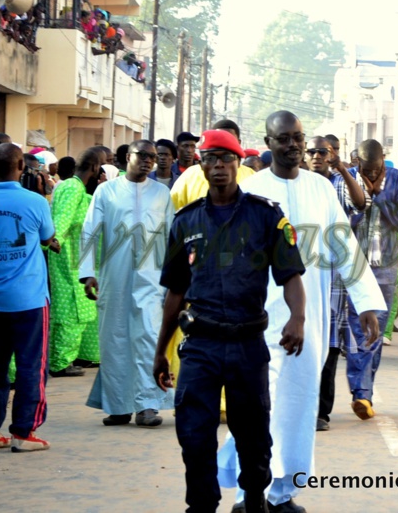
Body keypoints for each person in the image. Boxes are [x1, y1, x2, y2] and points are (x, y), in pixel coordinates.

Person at [218, 111, 386, 513]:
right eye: (284, 139)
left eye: (298, 137)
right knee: (261, 402)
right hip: (260, 317)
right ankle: (248, 493)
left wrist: (364, 304)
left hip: (310, 316)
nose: (292, 145)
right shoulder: (252, 190)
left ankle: (283, 494)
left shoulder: (322, 188)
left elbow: (344, 246)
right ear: (269, 142)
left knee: (299, 403)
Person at [155, 128, 305, 513]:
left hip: (247, 344)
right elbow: (175, 292)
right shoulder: (185, 222)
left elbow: (290, 275)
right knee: (193, 434)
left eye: (226, 159)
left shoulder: (265, 216)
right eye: (210, 159)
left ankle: (254, 500)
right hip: (201, 345)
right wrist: (160, 352)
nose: (218, 166)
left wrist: (297, 319)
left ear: (238, 164)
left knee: (254, 437)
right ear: (200, 164)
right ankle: (201, 506)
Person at [0, 143, 58, 452]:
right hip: (29, 299)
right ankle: (24, 432)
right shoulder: (35, 202)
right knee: (32, 365)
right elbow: (47, 236)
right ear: (21, 167)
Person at [79, 140, 175, 427]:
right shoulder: (106, 191)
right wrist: (87, 272)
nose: (148, 161)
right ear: (127, 158)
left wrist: (173, 278)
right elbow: (89, 231)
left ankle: (147, 405)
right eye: (142, 155)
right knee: (115, 338)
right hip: (114, 275)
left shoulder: (162, 194)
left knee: (148, 336)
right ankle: (118, 405)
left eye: (153, 158)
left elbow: (172, 236)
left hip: (152, 277)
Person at [338, 139, 398, 420]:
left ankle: (365, 390)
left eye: (376, 168)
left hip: (386, 265)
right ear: (357, 164)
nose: (372, 174)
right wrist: (361, 198)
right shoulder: (345, 180)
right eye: (366, 169)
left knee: (375, 333)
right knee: (359, 330)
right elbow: (342, 220)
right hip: (356, 265)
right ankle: (361, 394)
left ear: (383, 161)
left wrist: (377, 197)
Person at [306, 135, 363, 431]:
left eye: (323, 151)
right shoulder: (298, 182)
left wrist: (342, 169)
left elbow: (360, 203)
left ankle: (321, 412)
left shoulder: (340, 182)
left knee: (329, 344)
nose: (317, 156)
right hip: (300, 274)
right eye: (312, 151)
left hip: (333, 277)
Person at [47, 147, 102, 378]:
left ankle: (82, 355)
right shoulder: (72, 187)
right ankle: (61, 362)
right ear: (95, 167)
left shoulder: (75, 187)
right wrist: (55, 238)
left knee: (83, 307)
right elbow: (63, 217)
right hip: (68, 257)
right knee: (72, 309)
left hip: (77, 255)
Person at [171, 125, 256, 211]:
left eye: (227, 157)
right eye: (210, 158)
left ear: (238, 161)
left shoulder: (252, 178)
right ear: (201, 164)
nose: (219, 164)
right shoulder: (188, 177)